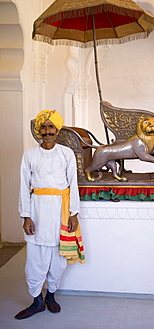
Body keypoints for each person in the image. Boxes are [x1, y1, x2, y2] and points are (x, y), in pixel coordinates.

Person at [15, 109, 85, 320]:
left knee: (58, 259)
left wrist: (74, 213)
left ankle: (51, 296)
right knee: (35, 260)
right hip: (37, 209)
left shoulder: (66, 153)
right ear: (39, 131)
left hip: (60, 212)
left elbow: (73, 184)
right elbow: (23, 186)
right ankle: (37, 300)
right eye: (43, 127)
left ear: (57, 130)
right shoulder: (29, 154)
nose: (47, 131)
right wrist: (26, 215)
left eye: (50, 127)